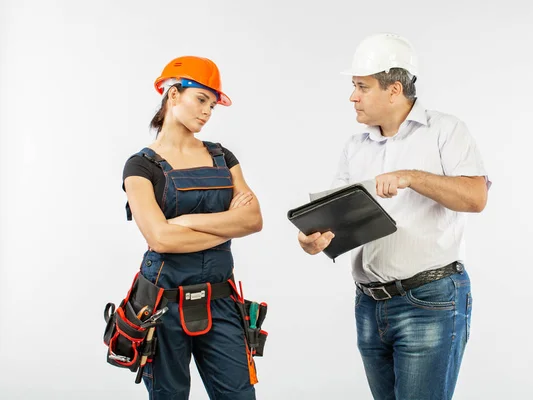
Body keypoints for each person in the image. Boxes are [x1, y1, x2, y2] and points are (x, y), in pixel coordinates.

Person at [297, 33, 490, 400]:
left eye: (361, 87)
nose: (353, 96)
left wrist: (411, 177)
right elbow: (335, 220)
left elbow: (475, 197)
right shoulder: (355, 147)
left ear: (394, 89)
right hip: (369, 305)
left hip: (429, 302)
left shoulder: (445, 131)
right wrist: (314, 239)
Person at [122, 55, 263, 400]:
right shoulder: (140, 166)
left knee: (239, 394)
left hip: (221, 301)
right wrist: (226, 226)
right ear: (173, 95)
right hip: (161, 305)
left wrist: (186, 222)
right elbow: (160, 238)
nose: (207, 112)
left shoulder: (223, 157)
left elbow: (253, 220)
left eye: (212, 106)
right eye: (201, 99)